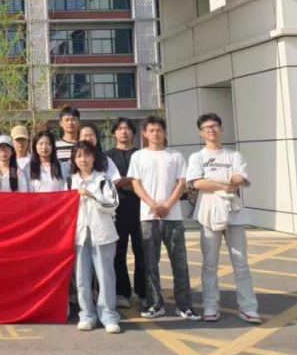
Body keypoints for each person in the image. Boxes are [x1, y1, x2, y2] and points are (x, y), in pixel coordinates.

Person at [187, 113, 261, 324]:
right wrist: (225, 185)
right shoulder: (197, 157)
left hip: (233, 212)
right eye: (206, 127)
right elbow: (197, 183)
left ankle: (248, 308)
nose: (211, 130)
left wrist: (214, 181)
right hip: (208, 213)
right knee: (210, 263)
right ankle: (210, 306)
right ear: (201, 133)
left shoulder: (234, 155)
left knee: (241, 262)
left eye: (214, 126)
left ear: (221, 129)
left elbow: (240, 178)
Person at [129, 116, 200, 321]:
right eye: (151, 130)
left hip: (173, 217)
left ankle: (184, 306)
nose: (155, 133)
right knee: (150, 263)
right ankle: (155, 304)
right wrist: (153, 205)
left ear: (165, 132)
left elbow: (181, 184)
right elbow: (136, 185)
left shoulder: (175, 155)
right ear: (144, 133)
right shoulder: (138, 156)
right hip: (148, 217)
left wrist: (167, 205)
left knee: (179, 262)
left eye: (159, 130)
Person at [68, 141, 121, 334]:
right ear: (74, 160)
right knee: (82, 279)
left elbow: (113, 204)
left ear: (94, 158)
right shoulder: (70, 181)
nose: (83, 159)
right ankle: (87, 315)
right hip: (80, 236)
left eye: (87, 155)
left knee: (105, 277)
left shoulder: (103, 179)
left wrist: (91, 195)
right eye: (79, 156)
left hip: (103, 234)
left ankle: (109, 316)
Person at [106, 117, 145, 309]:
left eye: (128, 128)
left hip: (141, 209)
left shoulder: (142, 155)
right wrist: (133, 181)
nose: (124, 131)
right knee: (118, 253)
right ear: (114, 133)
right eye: (120, 128)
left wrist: (123, 181)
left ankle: (143, 292)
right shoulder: (107, 157)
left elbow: (146, 180)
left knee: (142, 252)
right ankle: (122, 292)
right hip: (117, 211)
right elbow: (108, 183)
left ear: (133, 133)